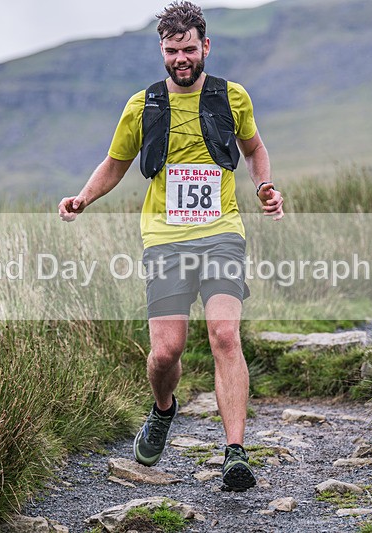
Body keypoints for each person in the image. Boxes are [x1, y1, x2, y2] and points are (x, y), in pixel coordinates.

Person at [58, 0, 283, 492]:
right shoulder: (144, 105)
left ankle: (235, 454)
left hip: (222, 233)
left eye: (188, 49)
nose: (180, 58)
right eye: (170, 50)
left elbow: (254, 149)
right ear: (161, 50)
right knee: (166, 352)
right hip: (164, 240)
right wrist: (83, 198)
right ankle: (163, 410)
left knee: (225, 335)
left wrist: (265, 186)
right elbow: (115, 163)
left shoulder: (233, 97)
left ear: (206, 45)